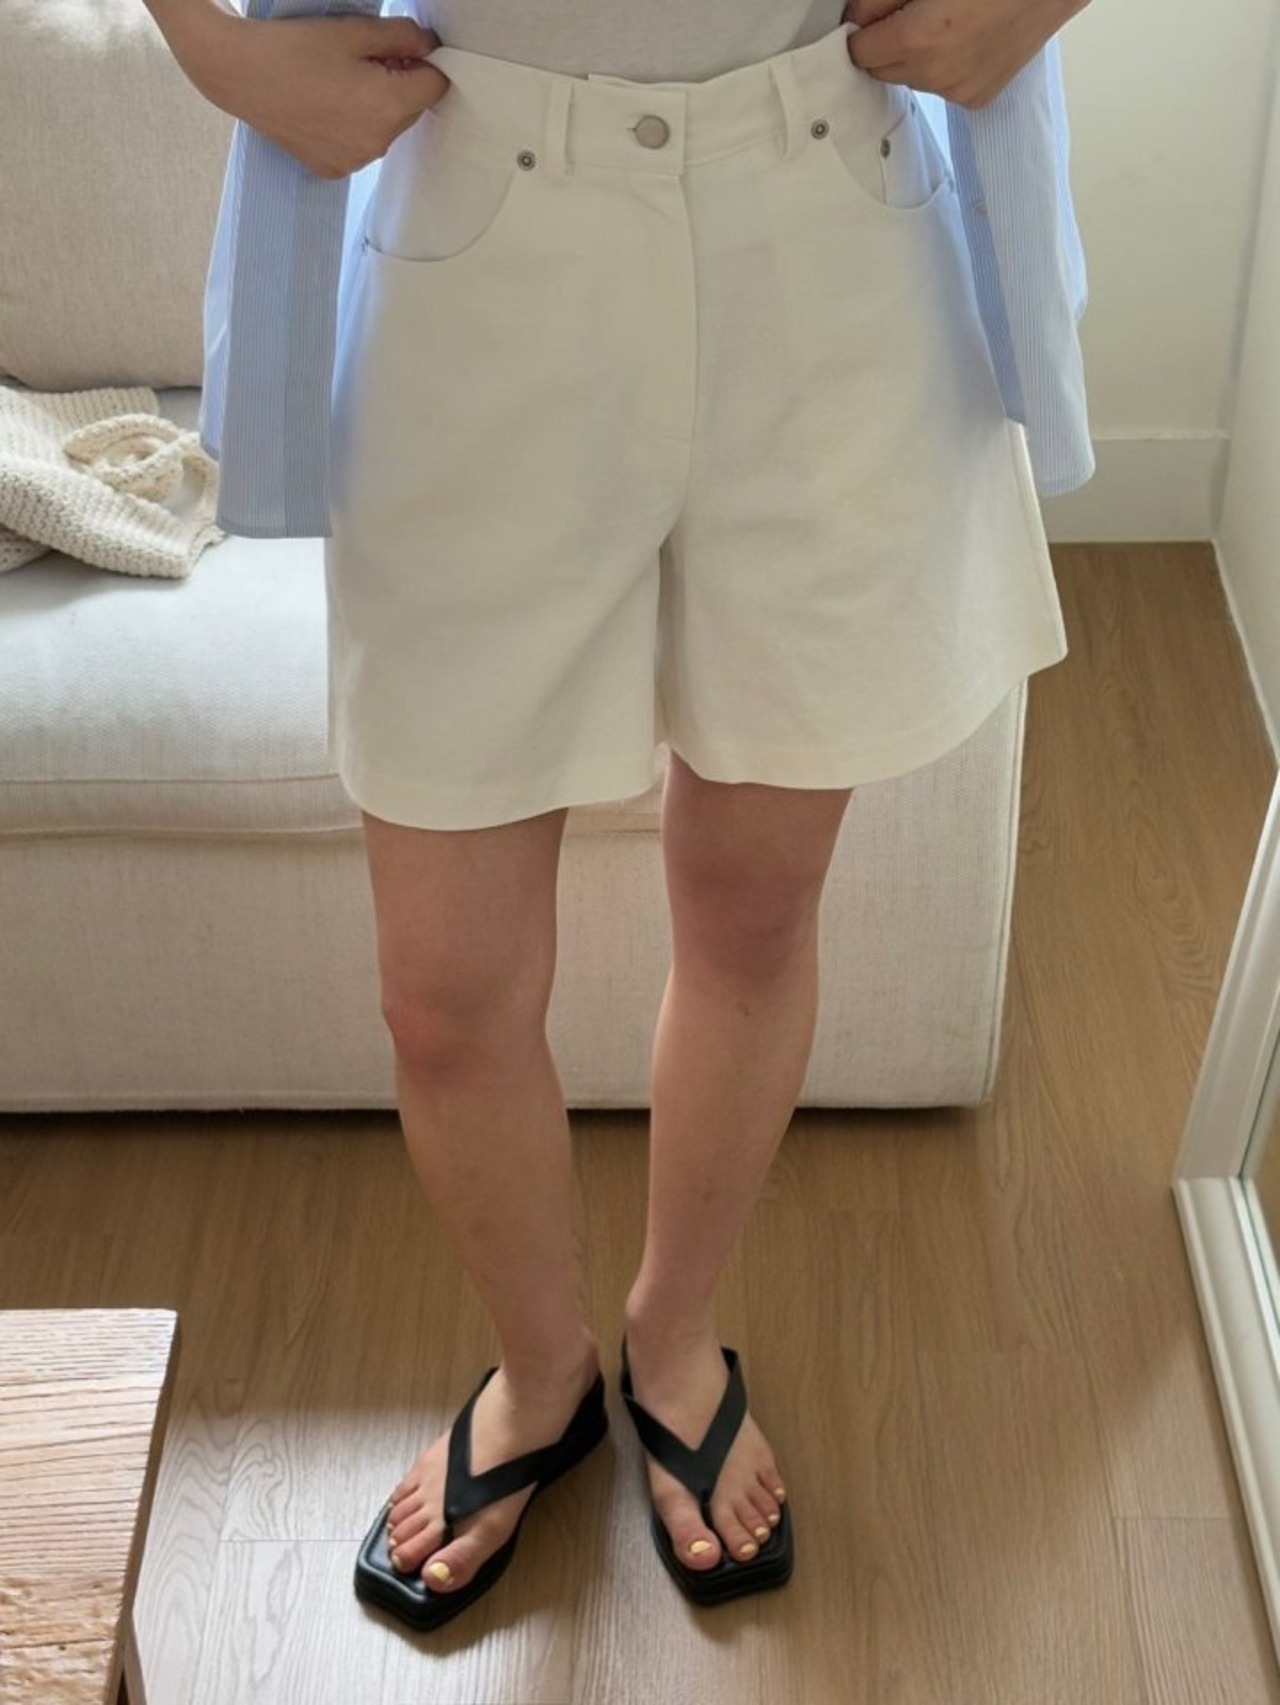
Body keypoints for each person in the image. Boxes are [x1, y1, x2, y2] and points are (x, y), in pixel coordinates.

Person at [143, 0, 1091, 1631]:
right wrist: (207, 46)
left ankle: (673, 1329)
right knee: (444, 994)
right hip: (481, 232)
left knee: (752, 911)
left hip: (829, 223)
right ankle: (541, 1368)